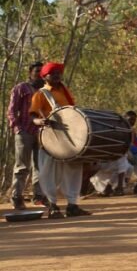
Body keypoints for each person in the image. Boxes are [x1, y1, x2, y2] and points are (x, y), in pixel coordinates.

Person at [29, 62, 91, 218]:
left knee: (73, 169)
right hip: (50, 138)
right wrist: (40, 122)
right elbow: (33, 116)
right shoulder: (41, 94)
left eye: (58, 73)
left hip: (69, 138)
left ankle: (72, 205)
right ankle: (52, 206)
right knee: (48, 172)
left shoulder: (64, 91)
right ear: (45, 76)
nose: (57, 76)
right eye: (53, 73)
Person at [7, 60, 45, 210]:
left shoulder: (45, 90)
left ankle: (39, 197)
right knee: (22, 166)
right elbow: (11, 110)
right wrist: (17, 128)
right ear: (30, 73)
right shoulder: (21, 88)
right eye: (37, 72)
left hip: (42, 133)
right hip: (25, 132)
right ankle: (16, 197)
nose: (39, 75)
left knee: (40, 166)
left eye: (42, 73)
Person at [91, 110, 137, 197]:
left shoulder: (131, 131)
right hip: (105, 160)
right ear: (124, 119)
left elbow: (134, 145)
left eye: (134, 120)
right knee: (123, 161)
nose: (132, 122)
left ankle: (115, 187)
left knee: (128, 166)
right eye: (130, 119)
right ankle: (118, 187)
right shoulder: (115, 129)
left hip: (117, 159)